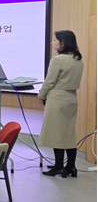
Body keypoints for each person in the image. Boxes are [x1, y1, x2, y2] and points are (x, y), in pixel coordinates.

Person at [39, 30, 84, 178]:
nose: (52, 43)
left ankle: (59, 166)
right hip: (71, 98)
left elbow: (49, 82)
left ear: (63, 43)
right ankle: (71, 166)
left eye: (55, 40)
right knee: (69, 134)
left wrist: (41, 95)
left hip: (57, 98)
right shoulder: (78, 59)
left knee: (56, 133)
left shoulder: (57, 60)